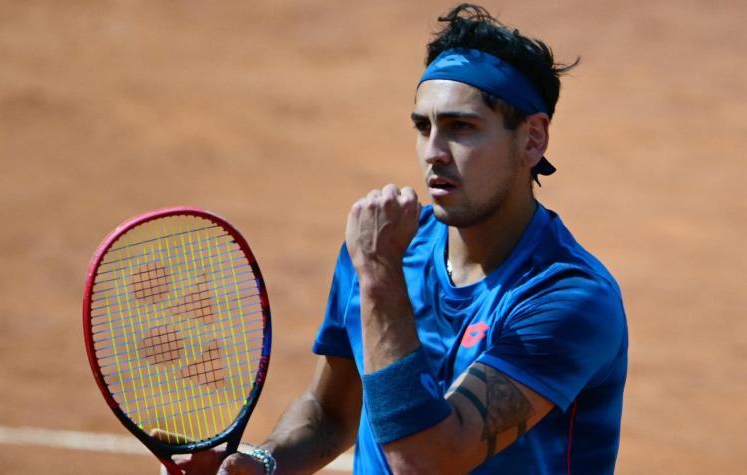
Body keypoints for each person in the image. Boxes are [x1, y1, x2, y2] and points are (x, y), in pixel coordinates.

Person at [164, 3, 628, 474]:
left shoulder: (570, 299)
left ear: (532, 139)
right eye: (423, 127)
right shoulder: (384, 251)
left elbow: (425, 462)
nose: (432, 153)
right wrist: (261, 464)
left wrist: (380, 274)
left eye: (460, 128)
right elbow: (329, 414)